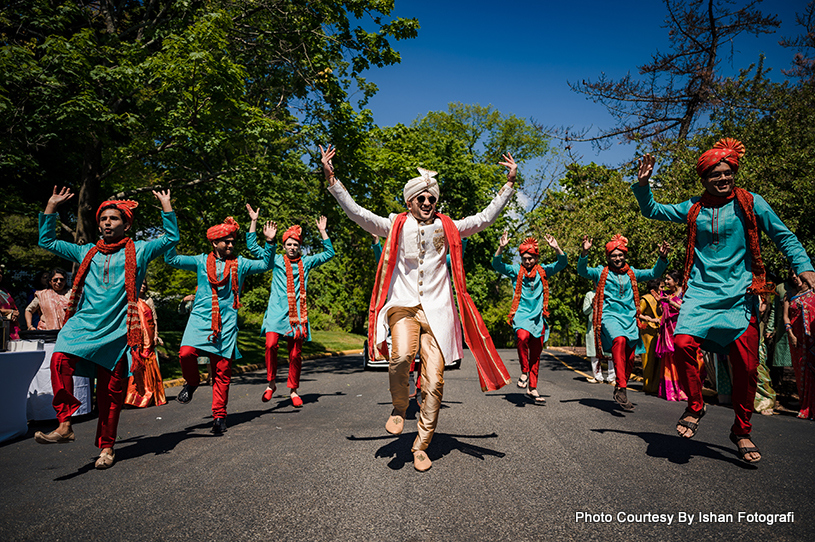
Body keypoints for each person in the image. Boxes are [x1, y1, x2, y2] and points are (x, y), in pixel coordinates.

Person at [321, 143, 514, 472]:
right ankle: (399, 407)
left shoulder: (448, 226)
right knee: (400, 358)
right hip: (404, 307)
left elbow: (484, 218)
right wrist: (332, 179)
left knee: (435, 382)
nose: (427, 203)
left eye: (431, 199)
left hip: (439, 314)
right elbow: (358, 213)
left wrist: (508, 186)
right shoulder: (395, 224)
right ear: (409, 201)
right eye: (420, 198)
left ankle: (421, 444)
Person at [634, 138, 815, 463]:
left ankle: (742, 430)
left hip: (740, 296)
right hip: (700, 294)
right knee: (684, 341)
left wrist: (804, 265)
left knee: (747, 367)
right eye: (715, 174)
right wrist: (644, 185)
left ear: (734, 172)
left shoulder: (751, 202)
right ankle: (695, 405)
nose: (722, 179)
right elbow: (652, 210)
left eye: (727, 172)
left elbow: (783, 235)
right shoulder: (694, 208)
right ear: (703, 179)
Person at [34, 186, 178, 470]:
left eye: (113, 219)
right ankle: (65, 424)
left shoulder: (140, 250)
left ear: (126, 224)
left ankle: (107, 448)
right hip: (84, 325)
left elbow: (171, 237)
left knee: (110, 396)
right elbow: (47, 240)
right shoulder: (86, 251)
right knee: (59, 358)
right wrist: (51, 206)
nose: (107, 223)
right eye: (103, 219)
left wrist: (166, 206)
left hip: (119, 331)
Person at [166, 216, 275, 434]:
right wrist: (169, 220)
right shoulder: (199, 261)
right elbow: (171, 259)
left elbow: (266, 264)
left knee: (222, 372)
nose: (231, 245)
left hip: (226, 324)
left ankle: (219, 417)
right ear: (215, 243)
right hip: (199, 320)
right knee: (186, 354)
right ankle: (192, 382)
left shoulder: (241, 264)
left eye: (233, 241)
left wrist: (270, 242)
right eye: (227, 241)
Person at [245, 205, 335, 408]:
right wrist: (253, 221)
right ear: (283, 246)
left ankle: (294, 390)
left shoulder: (308, 262)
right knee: (270, 345)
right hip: (276, 315)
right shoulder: (274, 260)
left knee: (295, 354)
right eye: (289, 244)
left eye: (296, 244)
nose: (293, 247)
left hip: (298, 318)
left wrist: (322, 231)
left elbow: (329, 253)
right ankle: (271, 384)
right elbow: (253, 248)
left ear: (300, 246)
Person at [577, 234, 670, 412]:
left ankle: (620, 386)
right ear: (608, 257)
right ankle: (621, 388)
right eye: (614, 255)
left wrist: (662, 258)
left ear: (625, 256)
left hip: (630, 319)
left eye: (620, 255)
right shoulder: (600, 272)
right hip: (609, 317)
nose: (618, 258)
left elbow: (654, 273)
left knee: (629, 358)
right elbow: (583, 271)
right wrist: (584, 252)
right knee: (618, 340)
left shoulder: (632, 273)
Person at [492, 232, 567, 403]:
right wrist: (501, 247)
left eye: (531, 258)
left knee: (536, 354)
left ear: (536, 257)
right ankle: (524, 371)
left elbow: (563, 263)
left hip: (538, 319)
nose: (527, 261)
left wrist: (556, 247)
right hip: (521, 315)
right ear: (521, 258)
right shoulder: (515, 271)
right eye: (525, 258)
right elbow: (496, 264)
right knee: (522, 336)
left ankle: (532, 388)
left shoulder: (544, 271)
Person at [124, 280, 167, 408]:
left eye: (144, 283)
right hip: (135, 337)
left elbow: (154, 319)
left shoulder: (149, 301)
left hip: (148, 337)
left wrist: (155, 336)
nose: (142, 286)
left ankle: (152, 396)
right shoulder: (131, 301)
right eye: (140, 283)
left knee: (149, 364)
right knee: (135, 365)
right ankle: (135, 397)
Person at [785, 271, 814, 420]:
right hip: (797, 338)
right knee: (800, 371)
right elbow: (785, 317)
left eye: (798, 274)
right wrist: (791, 334)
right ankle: (804, 405)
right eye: (792, 276)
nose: (795, 278)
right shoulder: (789, 295)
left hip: (812, 338)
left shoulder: (813, 292)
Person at [655, 270, 688, 401]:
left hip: (680, 329)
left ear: (677, 281)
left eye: (669, 279)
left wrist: (672, 303)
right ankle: (670, 391)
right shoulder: (666, 294)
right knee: (670, 361)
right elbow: (660, 311)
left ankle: (683, 389)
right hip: (667, 331)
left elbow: (687, 310)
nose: (666, 282)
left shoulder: (685, 294)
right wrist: (660, 303)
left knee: (682, 359)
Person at [583, 290, 614, 384]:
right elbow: (585, 311)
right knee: (594, 353)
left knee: (610, 353)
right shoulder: (589, 294)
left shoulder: (610, 293)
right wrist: (592, 304)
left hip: (607, 326)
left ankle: (612, 378)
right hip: (593, 327)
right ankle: (597, 377)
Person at [637, 279, 662, 394]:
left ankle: (655, 386)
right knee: (648, 359)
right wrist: (651, 319)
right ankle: (648, 385)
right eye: (661, 287)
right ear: (655, 288)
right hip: (648, 332)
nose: (663, 289)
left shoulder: (661, 299)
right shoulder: (645, 298)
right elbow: (638, 313)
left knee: (658, 360)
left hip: (658, 331)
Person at [0, 264, 21, 340]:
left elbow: (13, 306)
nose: (0, 275)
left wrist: (15, 314)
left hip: (11, 328)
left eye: (1, 273)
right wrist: (10, 312)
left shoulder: (3, 291)